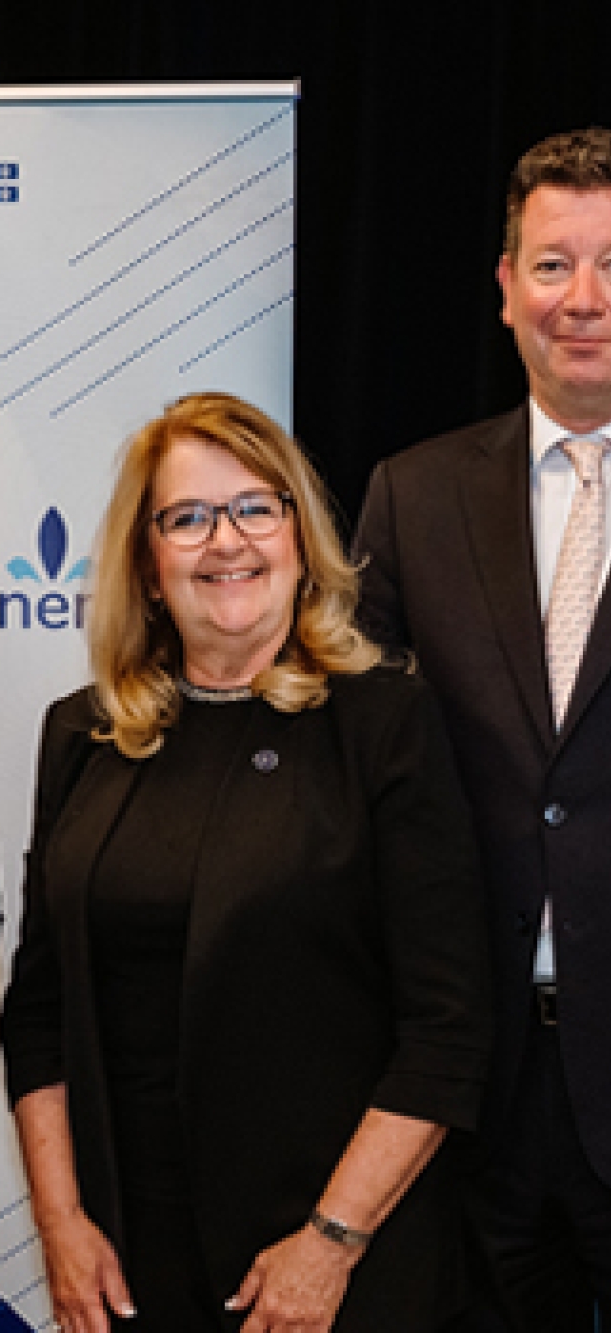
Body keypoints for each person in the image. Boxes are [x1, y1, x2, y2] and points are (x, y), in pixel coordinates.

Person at [0, 391, 491, 1333]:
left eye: (255, 508)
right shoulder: (82, 735)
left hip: (330, 1267)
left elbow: (448, 1030)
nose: (226, 541)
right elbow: (38, 1012)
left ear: (300, 538)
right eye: (186, 517)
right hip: (127, 1265)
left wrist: (330, 1241)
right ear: (147, 566)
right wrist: (61, 1225)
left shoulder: (383, 724)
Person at [353, 127, 611, 1331]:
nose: (584, 298)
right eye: (552, 265)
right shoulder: (411, 495)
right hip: (479, 1084)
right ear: (504, 287)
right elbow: (361, 770)